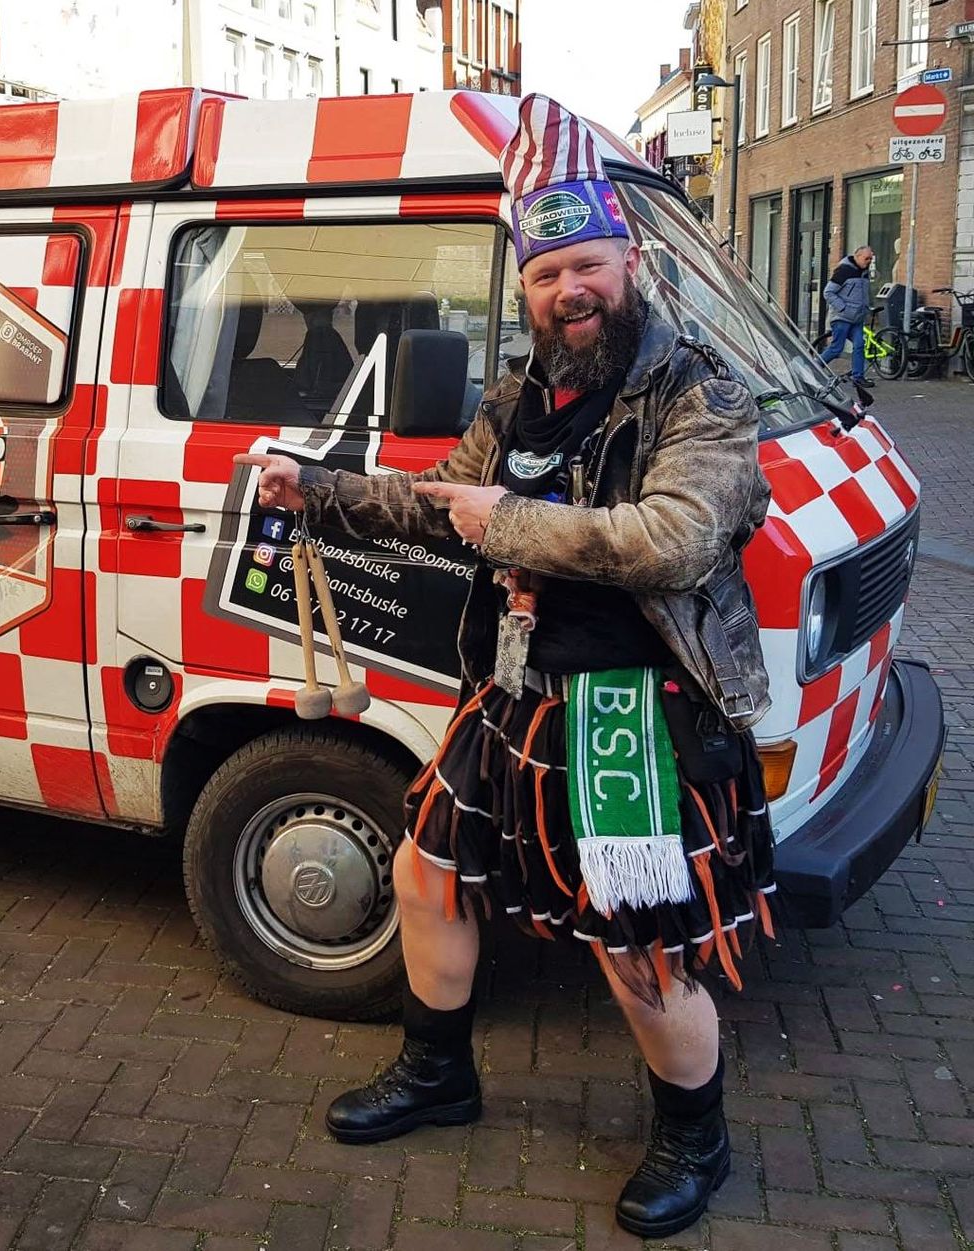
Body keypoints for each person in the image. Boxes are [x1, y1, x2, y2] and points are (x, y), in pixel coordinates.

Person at [235, 93, 776, 1239]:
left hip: (632, 707)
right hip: (513, 694)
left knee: (638, 947)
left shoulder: (702, 400)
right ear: (525, 290)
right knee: (427, 879)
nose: (567, 290)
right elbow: (445, 509)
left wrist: (508, 520)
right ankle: (438, 1074)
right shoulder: (520, 397)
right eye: (544, 275)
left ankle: (692, 1135)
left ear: (628, 265)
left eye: (585, 264)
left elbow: (669, 541)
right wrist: (315, 487)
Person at [819, 245, 875, 384]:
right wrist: (843, 308)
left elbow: (863, 294)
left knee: (859, 345)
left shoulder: (864, 273)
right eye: (866, 258)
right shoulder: (844, 271)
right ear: (857, 256)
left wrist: (867, 308)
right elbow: (828, 292)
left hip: (857, 318)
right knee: (836, 348)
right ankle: (813, 367)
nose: (868, 261)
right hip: (842, 318)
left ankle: (858, 377)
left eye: (871, 259)